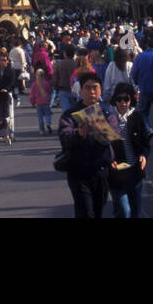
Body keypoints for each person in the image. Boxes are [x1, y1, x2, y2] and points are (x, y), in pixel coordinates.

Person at [59, 71, 114, 218]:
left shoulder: (107, 114)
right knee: (85, 212)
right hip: (78, 171)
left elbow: (114, 136)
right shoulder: (70, 115)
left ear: (100, 90)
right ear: (81, 90)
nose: (92, 92)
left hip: (100, 171)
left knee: (97, 211)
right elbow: (64, 137)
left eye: (95, 87)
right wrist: (78, 133)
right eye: (87, 88)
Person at [107, 82, 151, 218]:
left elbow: (145, 142)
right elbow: (103, 145)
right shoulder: (109, 118)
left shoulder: (137, 117)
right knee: (123, 211)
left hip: (134, 171)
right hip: (116, 173)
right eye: (119, 99)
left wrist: (143, 155)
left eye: (126, 99)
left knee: (135, 210)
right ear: (115, 100)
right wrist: (109, 160)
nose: (123, 103)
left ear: (131, 99)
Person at [0, 51, 21, 139]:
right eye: (1, 60)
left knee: (8, 115)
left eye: (5, 60)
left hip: (6, 95)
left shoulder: (11, 71)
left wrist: (7, 89)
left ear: (7, 61)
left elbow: (13, 82)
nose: (3, 62)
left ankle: (10, 133)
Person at [30, 68, 54, 135]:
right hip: (46, 102)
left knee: (40, 117)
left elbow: (32, 95)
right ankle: (48, 123)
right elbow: (50, 91)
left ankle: (41, 130)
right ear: (43, 75)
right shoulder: (46, 83)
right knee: (47, 114)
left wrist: (32, 102)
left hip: (38, 103)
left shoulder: (34, 84)